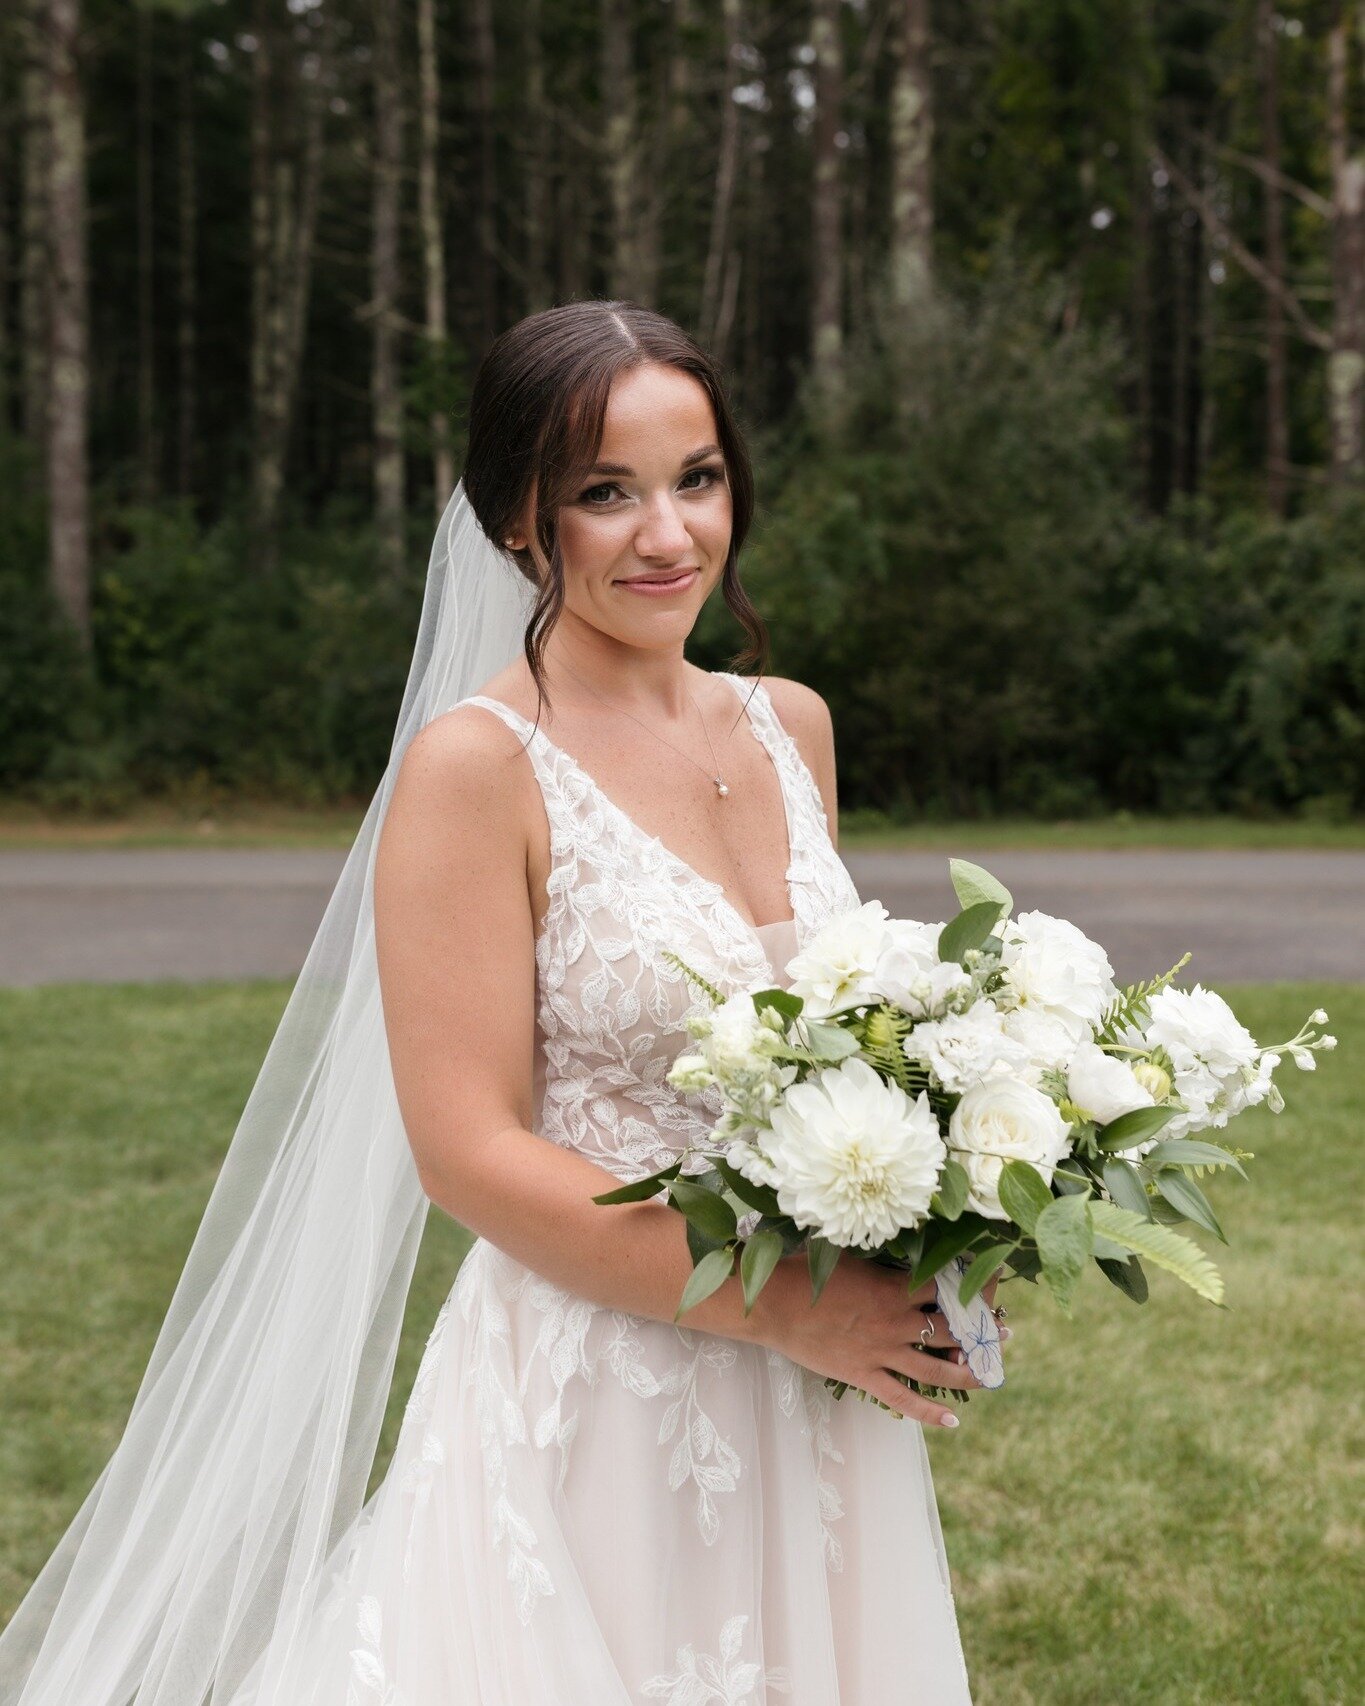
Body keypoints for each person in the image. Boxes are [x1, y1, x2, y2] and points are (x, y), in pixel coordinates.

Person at [0, 301, 992, 1705]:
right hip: (604, 1391)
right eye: (606, 494)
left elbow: (837, 1045)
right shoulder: (477, 769)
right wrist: (775, 1308)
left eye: (695, 479)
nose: (667, 536)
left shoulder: (790, 726)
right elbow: (467, 1146)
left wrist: (949, 1205)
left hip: (820, 1390)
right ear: (522, 521)